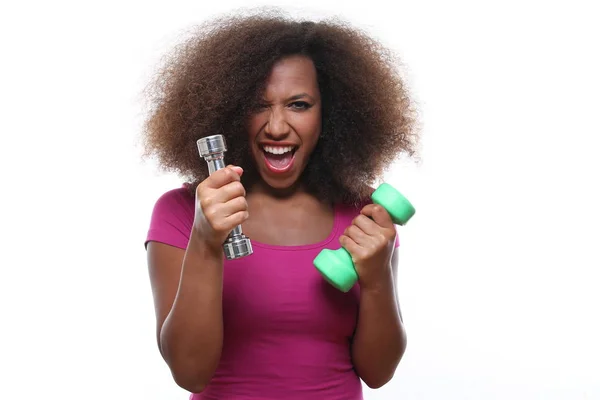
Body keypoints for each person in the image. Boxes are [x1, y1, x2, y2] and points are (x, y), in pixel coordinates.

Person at [142, 9, 418, 400]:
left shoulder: (365, 218)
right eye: (259, 104)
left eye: (299, 105)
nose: (275, 127)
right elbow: (190, 372)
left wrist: (376, 280)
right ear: (233, 111)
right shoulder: (181, 212)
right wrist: (204, 241)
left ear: (331, 115)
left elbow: (378, 372)